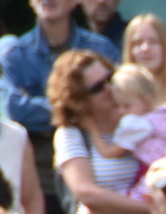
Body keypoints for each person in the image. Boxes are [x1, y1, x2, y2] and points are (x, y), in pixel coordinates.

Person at [50, 49, 150, 214]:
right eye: (97, 87)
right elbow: (86, 192)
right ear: (78, 100)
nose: (108, 88)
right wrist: (151, 209)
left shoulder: (138, 119)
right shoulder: (72, 134)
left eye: (109, 77)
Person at [0, 0, 119, 141]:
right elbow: (15, 110)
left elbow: (118, 100)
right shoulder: (15, 55)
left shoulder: (100, 48)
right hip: (37, 153)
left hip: (97, 148)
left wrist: (36, 105)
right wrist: (84, 103)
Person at [93, 65, 166, 202]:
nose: (122, 111)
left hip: (153, 172)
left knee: (127, 200)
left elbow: (109, 152)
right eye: (118, 106)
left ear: (146, 100)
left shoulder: (137, 124)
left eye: (127, 105)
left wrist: (91, 127)